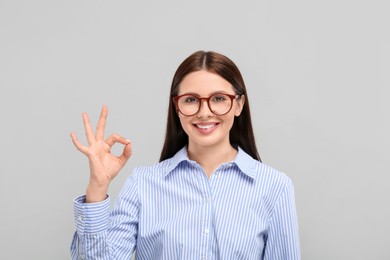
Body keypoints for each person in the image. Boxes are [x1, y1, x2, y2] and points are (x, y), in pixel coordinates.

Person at [70, 51, 300, 259]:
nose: (204, 112)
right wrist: (97, 188)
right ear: (176, 107)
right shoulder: (143, 184)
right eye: (191, 100)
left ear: (239, 104)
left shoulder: (275, 187)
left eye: (219, 98)